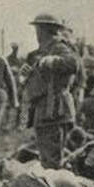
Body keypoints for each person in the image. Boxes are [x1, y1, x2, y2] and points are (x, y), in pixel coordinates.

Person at [21, 13, 82, 169]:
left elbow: (73, 64)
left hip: (55, 110)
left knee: (52, 160)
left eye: (39, 29)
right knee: (47, 158)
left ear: (46, 30)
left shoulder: (59, 47)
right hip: (43, 110)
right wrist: (27, 74)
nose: (37, 34)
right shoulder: (40, 52)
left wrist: (53, 61)